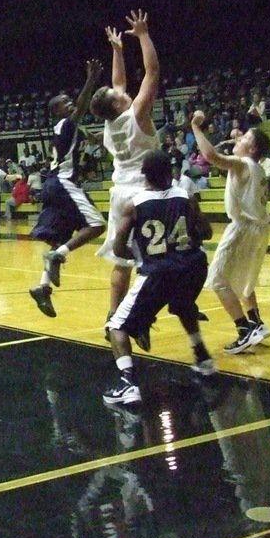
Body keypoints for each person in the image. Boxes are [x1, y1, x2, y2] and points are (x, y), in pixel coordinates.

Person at [102, 151, 217, 406]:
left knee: (116, 327)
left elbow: (119, 248)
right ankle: (203, 359)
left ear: (144, 175)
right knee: (184, 306)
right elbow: (207, 232)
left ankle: (128, 383)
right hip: (194, 268)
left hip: (159, 272)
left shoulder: (134, 205)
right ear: (170, 172)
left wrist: (143, 257)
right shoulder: (186, 197)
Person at [88, 10, 162, 343]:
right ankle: (139, 320)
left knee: (121, 263)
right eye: (121, 96)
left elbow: (118, 84)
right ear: (119, 106)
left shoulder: (109, 122)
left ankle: (112, 315)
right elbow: (153, 71)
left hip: (120, 194)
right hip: (145, 195)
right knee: (154, 263)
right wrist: (143, 35)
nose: (124, 92)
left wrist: (118, 50)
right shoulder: (137, 114)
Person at [27, 59, 108, 318]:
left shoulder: (72, 129)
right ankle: (57, 257)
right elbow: (82, 108)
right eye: (64, 101)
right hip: (62, 182)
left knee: (60, 238)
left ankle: (42, 287)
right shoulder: (66, 124)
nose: (70, 101)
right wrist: (91, 80)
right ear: (57, 110)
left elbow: (94, 137)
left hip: (54, 184)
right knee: (97, 225)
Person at [190, 111, 270, 354]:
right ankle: (256, 323)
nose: (238, 138)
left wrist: (196, 127)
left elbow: (209, 156)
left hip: (243, 228)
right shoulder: (255, 166)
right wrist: (238, 140)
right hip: (259, 228)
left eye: (245, 137)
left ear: (253, 147)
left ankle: (243, 330)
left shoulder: (243, 164)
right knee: (243, 277)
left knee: (217, 279)